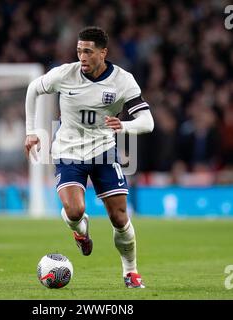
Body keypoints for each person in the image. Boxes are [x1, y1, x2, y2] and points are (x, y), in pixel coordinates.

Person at [24, 26, 154, 288]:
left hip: (104, 150)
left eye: (88, 51)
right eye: (79, 51)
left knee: (119, 217)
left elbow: (147, 122)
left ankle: (130, 272)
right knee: (74, 211)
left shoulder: (122, 80)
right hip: (68, 150)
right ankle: (80, 232)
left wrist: (124, 126)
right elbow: (33, 89)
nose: (82, 56)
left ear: (103, 53)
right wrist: (31, 131)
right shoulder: (65, 74)